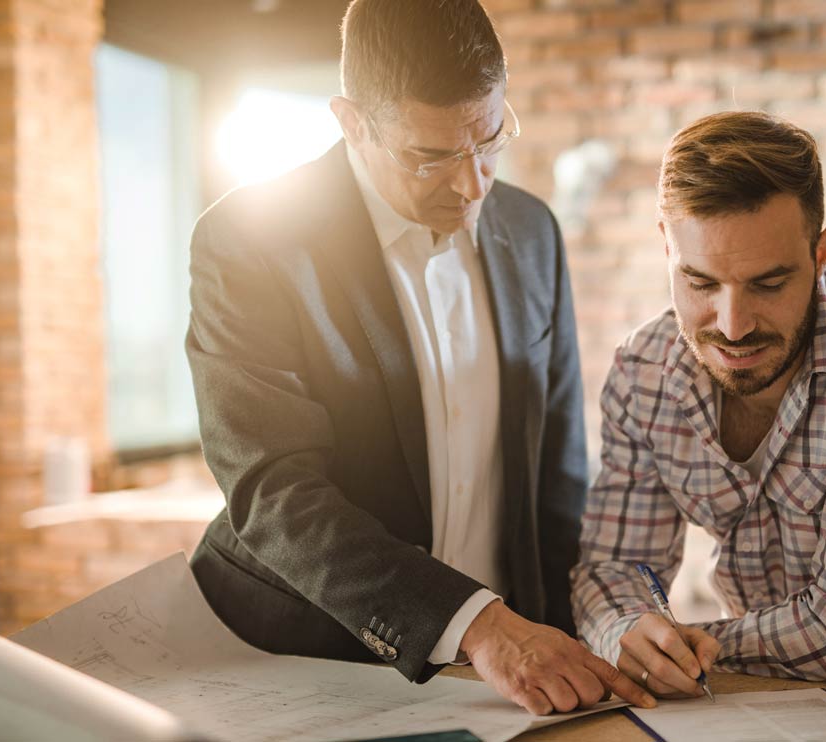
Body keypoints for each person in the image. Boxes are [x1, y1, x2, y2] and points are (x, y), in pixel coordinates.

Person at [184, 0, 653, 715]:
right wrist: (476, 625)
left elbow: (556, 477)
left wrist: (587, 631)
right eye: (431, 156)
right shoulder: (248, 241)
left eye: (491, 139)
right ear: (351, 122)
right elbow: (273, 491)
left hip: (502, 681)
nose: (473, 185)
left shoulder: (531, 230)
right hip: (306, 656)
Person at [571, 111, 826, 695]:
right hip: (747, 708)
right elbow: (614, 567)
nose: (733, 326)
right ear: (666, 247)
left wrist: (688, 647)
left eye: (768, 283)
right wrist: (627, 626)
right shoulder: (643, 371)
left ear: (821, 252)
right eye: (700, 283)